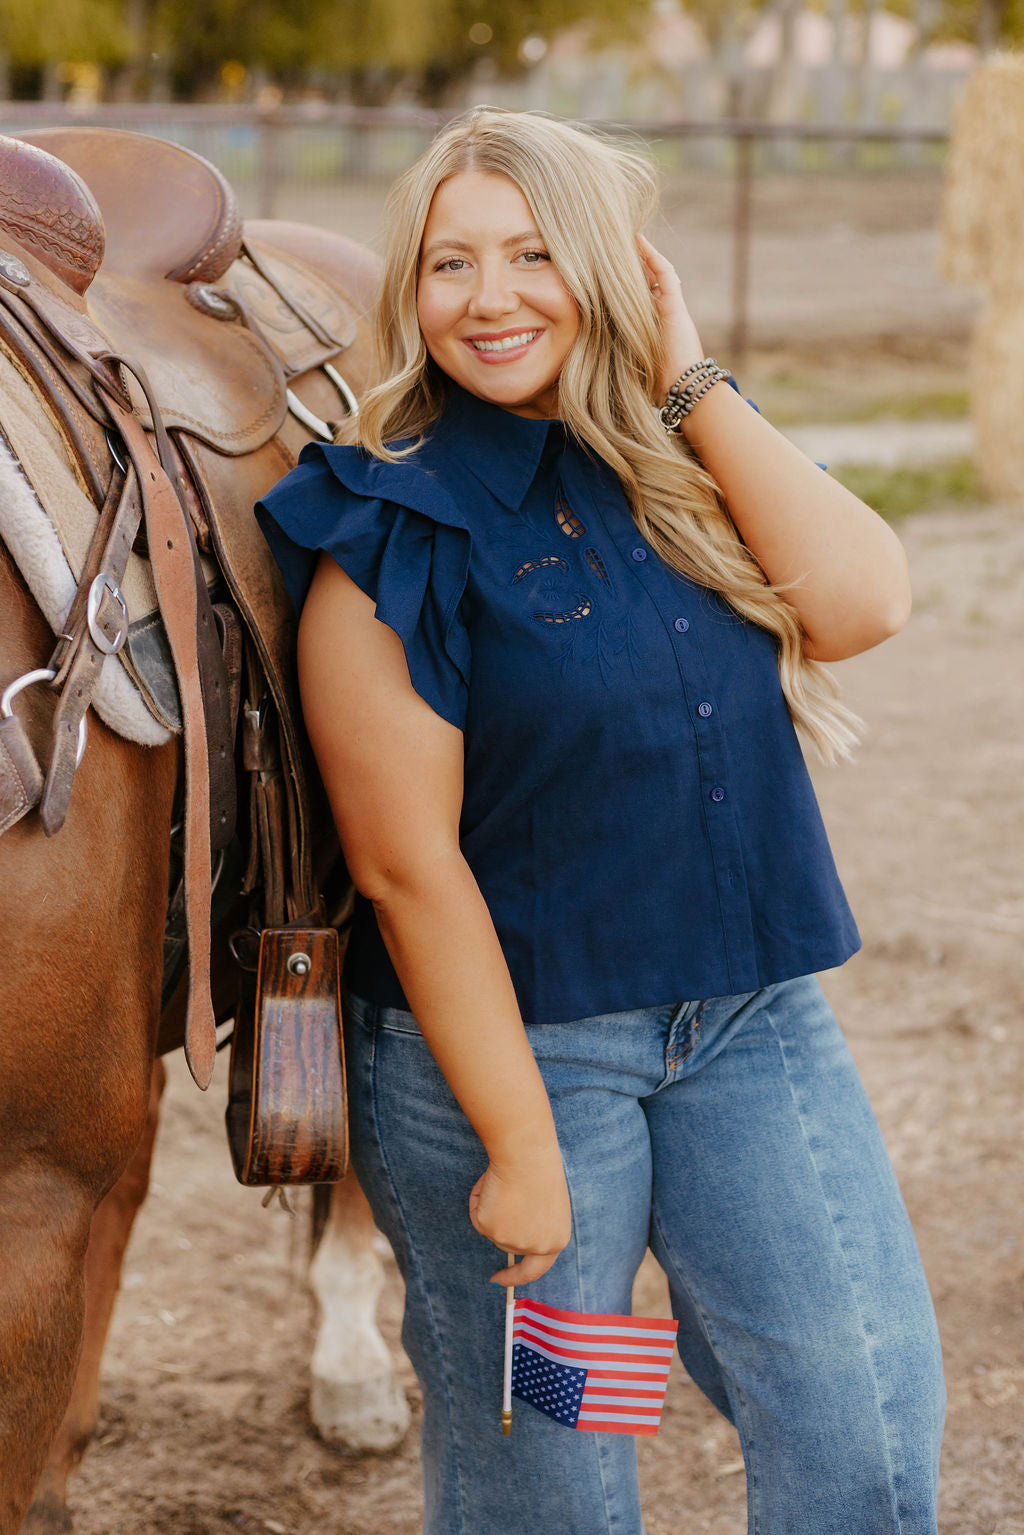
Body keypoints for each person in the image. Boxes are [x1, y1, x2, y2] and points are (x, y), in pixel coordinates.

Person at [256, 107, 945, 1535]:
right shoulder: (394, 525)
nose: (490, 297)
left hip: (749, 1031)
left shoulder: (681, 469)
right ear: (411, 290)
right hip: (528, 1072)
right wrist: (519, 1145)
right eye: (451, 264)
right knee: (562, 1481)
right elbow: (405, 864)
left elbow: (864, 602)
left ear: (610, 265)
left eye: (532, 254)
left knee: (860, 1419)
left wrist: (684, 373)